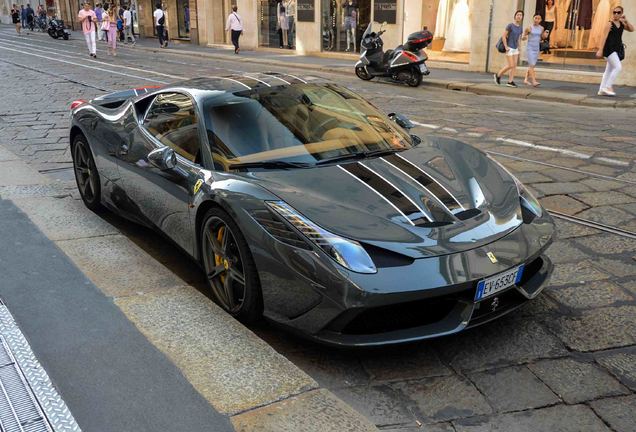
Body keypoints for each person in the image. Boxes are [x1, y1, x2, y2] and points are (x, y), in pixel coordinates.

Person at [596, 6, 634, 96]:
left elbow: (632, 29)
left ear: (621, 13)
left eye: (618, 12)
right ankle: (607, 86)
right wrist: (600, 50)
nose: (616, 14)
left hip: (616, 49)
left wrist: (626, 20)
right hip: (609, 49)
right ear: (612, 13)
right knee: (618, 67)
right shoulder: (609, 24)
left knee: (608, 70)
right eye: (614, 12)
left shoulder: (622, 24)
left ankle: (601, 89)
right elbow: (603, 38)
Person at [494, 10, 524, 88]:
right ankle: (498, 75)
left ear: (522, 17)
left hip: (515, 48)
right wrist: (506, 46)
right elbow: (504, 36)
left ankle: (510, 82)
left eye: (521, 15)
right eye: (518, 15)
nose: (519, 16)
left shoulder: (520, 28)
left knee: (514, 66)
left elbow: (518, 39)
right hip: (509, 48)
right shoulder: (510, 25)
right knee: (510, 65)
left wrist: (519, 47)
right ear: (515, 16)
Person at [523, 14, 547, 87]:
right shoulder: (529, 28)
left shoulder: (541, 28)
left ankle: (526, 79)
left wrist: (545, 36)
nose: (536, 20)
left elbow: (542, 37)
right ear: (533, 18)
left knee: (532, 65)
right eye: (535, 18)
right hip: (530, 48)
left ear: (540, 20)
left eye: (538, 18)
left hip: (536, 48)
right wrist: (524, 37)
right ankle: (534, 81)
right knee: (532, 65)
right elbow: (524, 36)